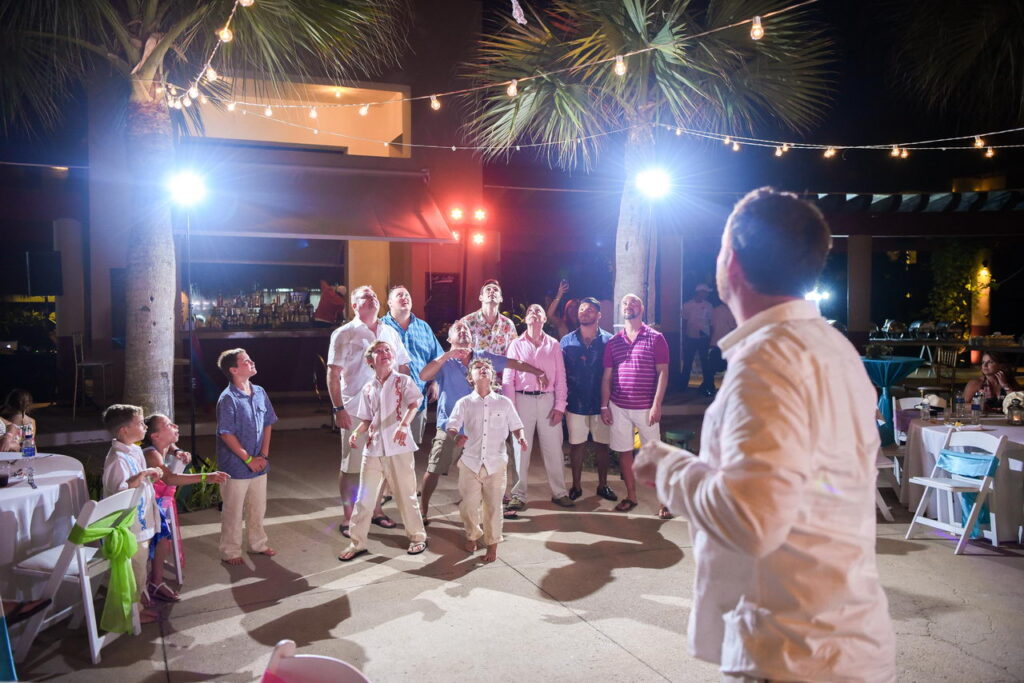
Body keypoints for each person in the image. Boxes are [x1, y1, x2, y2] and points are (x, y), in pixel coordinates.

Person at [634, 187, 896, 682]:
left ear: (730, 262)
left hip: (791, 654)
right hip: (837, 642)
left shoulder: (767, 362)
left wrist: (666, 467)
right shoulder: (835, 349)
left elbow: (752, 519)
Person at [418, 320, 546, 522]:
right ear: (450, 339)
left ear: (472, 337)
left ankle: (487, 508)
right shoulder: (445, 362)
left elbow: (513, 363)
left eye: (466, 330)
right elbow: (424, 375)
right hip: (450, 427)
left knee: (486, 470)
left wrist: (538, 371)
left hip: (481, 428)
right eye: (457, 330)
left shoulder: (482, 357)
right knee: (434, 470)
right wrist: (446, 356)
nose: (463, 332)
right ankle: (423, 510)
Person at [327, 285, 411, 537]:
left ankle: (376, 511)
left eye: (374, 296)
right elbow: (333, 374)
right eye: (366, 296)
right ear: (354, 305)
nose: (372, 299)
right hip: (355, 409)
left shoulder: (389, 331)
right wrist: (338, 407)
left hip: (386, 412)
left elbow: (403, 367)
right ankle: (348, 516)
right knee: (351, 466)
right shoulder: (344, 333)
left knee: (382, 463)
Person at [339, 341, 428, 561]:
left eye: (387, 350)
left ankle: (418, 537)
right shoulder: (369, 387)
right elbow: (368, 418)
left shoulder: (403, 381)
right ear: (370, 361)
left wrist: (404, 424)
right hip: (374, 448)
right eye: (378, 351)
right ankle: (357, 542)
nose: (384, 353)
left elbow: (414, 403)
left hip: (399, 448)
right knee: (364, 498)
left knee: (406, 495)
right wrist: (357, 433)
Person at [447, 358, 529, 563]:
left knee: (493, 507)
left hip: (496, 463)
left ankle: (492, 546)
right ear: (470, 377)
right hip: (470, 463)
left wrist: (520, 436)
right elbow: (452, 426)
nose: (482, 370)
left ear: (492, 376)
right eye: (477, 368)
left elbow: (516, 425)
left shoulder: (504, 402)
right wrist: (456, 437)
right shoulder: (464, 403)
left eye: (486, 368)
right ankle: (473, 534)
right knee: (468, 506)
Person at [142, 413, 229, 597]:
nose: (175, 426)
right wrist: (207, 476)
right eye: (168, 425)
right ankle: (147, 585)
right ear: (155, 436)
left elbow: (172, 444)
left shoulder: (163, 446)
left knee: (164, 543)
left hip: (161, 504)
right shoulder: (151, 454)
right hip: (145, 508)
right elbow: (170, 478)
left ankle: (155, 582)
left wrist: (176, 451)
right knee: (157, 544)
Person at [600, 294, 669, 516]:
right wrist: (605, 405)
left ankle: (665, 502)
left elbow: (662, 373)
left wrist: (657, 404)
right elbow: (607, 376)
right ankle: (631, 496)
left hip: (646, 407)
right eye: (625, 304)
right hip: (619, 406)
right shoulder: (614, 341)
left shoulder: (655, 338)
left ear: (642, 308)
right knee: (624, 452)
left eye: (634, 303)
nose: (629, 306)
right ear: (621, 309)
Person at [101, 404, 167, 623]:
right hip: (129, 526)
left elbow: (139, 480)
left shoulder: (134, 450)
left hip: (141, 520)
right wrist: (142, 475)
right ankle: (131, 613)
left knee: (141, 564)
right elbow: (119, 490)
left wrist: (148, 477)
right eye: (139, 423)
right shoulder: (117, 459)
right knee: (134, 567)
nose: (145, 426)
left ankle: (138, 601)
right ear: (123, 430)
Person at [503, 304, 573, 509]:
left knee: (553, 449)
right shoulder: (516, 344)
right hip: (522, 399)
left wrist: (560, 406)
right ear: (525, 320)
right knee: (520, 449)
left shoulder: (553, 345)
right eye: (531, 311)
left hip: (547, 400)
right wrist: (511, 409)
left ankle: (559, 492)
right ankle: (518, 494)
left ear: (544, 319)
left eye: (539, 311)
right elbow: (508, 378)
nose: (534, 313)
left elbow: (561, 377)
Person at [215, 348, 278, 566]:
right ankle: (230, 550)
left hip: (260, 463)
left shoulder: (259, 391)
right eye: (245, 361)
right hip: (235, 465)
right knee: (233, 510)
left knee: (257, 507)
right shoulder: (228, 398)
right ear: (233, 369)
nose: (251, 362)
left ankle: (257, 543)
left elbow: (268, 422)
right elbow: (226, 433)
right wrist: (248, 459)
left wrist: (263, 456)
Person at [560, 297, 616, 501]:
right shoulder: (566, 341)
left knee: (603, 445)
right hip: (575, 402)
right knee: (577, 445)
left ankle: (603, 485)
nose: (584, 312)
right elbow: (561, 373)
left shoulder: (610, 341)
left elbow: (614, 373)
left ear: (599, 315)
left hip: (602, 403)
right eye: (582, 309)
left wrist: (610, 402)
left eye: (590, 310)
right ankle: (576, 486)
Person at [381, 284, 445, 444]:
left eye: (407, 295)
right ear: (389, 302)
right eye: (399, 295)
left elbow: (437, 358)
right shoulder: (380, 327)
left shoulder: (423, 327)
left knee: (410, 448)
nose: (405, 298)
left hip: (417, 398)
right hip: (387, 398)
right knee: (386, 448)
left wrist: (435, 382)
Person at [461, 279, 518, 355]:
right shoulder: (466, 322)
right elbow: (458, 353)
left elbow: (514, 353)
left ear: (501, 299)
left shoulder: (508, 325)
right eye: (488, 289)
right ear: (480, 297)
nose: (492, 291)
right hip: (473, 366)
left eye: (495, 289)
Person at [681, 284, 715, 396]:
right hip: (690, 337)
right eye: (705, 292)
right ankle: (682, 386)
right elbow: (684, 322)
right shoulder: (687, 305)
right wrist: (684, 337)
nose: (706, 294)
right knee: (688, 362)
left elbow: (711, 324)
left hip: (704, 338)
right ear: (699, 292)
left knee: (705, 364)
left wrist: (710, 338)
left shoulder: (709, 306)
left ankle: (709, 387)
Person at [708, 296, 737, 382]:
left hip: (715, 341)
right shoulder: (730, 311)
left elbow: (711, 326)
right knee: (728, 366)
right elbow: (732, 327)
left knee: (712, 366)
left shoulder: (715, 310)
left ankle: (709, 386)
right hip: (726, 342)